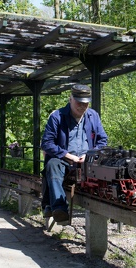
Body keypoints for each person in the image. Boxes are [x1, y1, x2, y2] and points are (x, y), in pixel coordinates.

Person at [41, 84, 108, 222]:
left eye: (86, 103)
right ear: (70, 99)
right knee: (52, 164)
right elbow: (46, 143)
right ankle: (59, 208)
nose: (82, 106)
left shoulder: (93, 116)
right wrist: (67, 155)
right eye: (79, 102)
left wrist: (90, 154)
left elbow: (103, 140)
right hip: (63, 160)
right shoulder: (57, 117)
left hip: (87, 161)